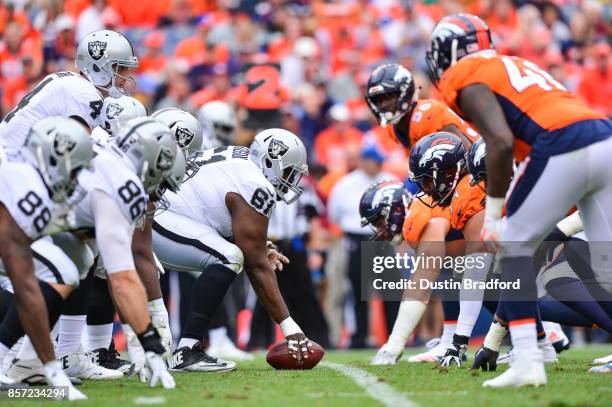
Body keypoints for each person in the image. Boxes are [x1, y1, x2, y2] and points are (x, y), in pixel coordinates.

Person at [427, 13, 612, 387]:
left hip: (563, 143)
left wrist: (493, 214)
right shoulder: (514, 62)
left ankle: (529, 359)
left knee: (512, 245)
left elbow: (499, 141)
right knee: (606, 263)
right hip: (603, 136)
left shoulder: (465, 74)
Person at [152, 128, 314, 372]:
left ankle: (95, 350)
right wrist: (290, 327)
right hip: (160, 216)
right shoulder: (256, 184)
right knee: (229, 257)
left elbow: (212, 210)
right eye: (290, 172)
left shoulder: (240, 158)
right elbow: (255, 264)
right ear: (271, 161)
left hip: (161, 211)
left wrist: (260, 247)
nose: (291, 181)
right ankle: (187, 349)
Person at [0, 117, 94, 398]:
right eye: (75, 169)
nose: (76, 178)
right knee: (56, 275)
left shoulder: (23, 179)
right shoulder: (27, 192)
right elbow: (27, 288)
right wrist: (53, 370)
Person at [0, 29, 138, 152]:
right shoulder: (86, 94)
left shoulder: (72, 82)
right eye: (120, 69)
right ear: (98, 68)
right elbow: (77, 152)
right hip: (13, 159)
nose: (125, 78)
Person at [327, 144, 398, 348]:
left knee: (390, 291)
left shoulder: (390, 179)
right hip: (356, 239)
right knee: (359, 292)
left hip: (384, 240)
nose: (376, 165)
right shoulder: (346, 184)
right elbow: (335, 215)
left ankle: (394, 335)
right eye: (373, 161)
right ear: (363, 161)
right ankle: (359, 337)